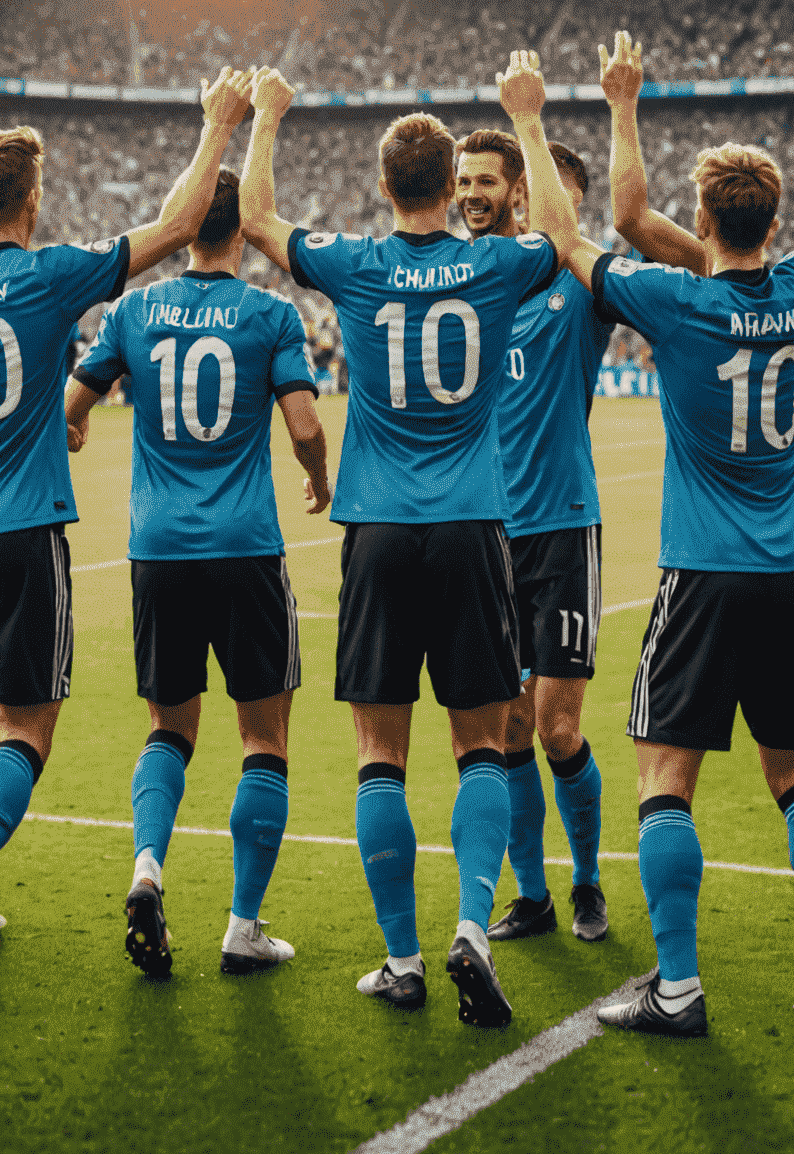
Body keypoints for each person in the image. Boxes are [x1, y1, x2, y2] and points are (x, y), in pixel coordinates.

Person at [0, 68, 255, 990]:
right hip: (24, 530)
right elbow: (181, 226)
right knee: (29, 728)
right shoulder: (50, 274)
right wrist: (218, 125)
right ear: (31, 200)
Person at [238, 56, 573, 1029]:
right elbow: (559, 231)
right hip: (476, 524)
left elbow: (257, 216)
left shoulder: (354, 262)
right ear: (451, 190)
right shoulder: (500, 263)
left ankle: (403, 958)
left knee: (379, 754)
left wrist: (267, 114)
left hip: (379, 526)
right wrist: (529, 121)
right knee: (480, 747)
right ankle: (473, 923)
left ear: (386, 187)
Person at [561, 19, 794, 1037]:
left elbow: (589, 232)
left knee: (663, 775)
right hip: (791, 567)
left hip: (700, 567)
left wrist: (616, 104)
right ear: (773, 219)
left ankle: (679, 986)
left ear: (707, 216)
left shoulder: (677, 303)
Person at [64, 154, 332, 980]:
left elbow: (75, 404)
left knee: (167, 731)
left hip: (160, 551)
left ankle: (148, 867)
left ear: (183, 220)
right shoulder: (271, 315)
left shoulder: (135, 311)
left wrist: (76, 430)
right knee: (264, 739)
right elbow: (305, 425)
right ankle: (243, 925)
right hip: (246, 548)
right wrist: (318, 478)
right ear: (245, 227)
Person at [452, 128, 612, 947]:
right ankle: (534, 893)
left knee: (554, 727)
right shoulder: (476, 282)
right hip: (487, 533)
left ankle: (588, 881)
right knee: (505, 728)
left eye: (566, 196)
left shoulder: (581, 290)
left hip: (560, 529)